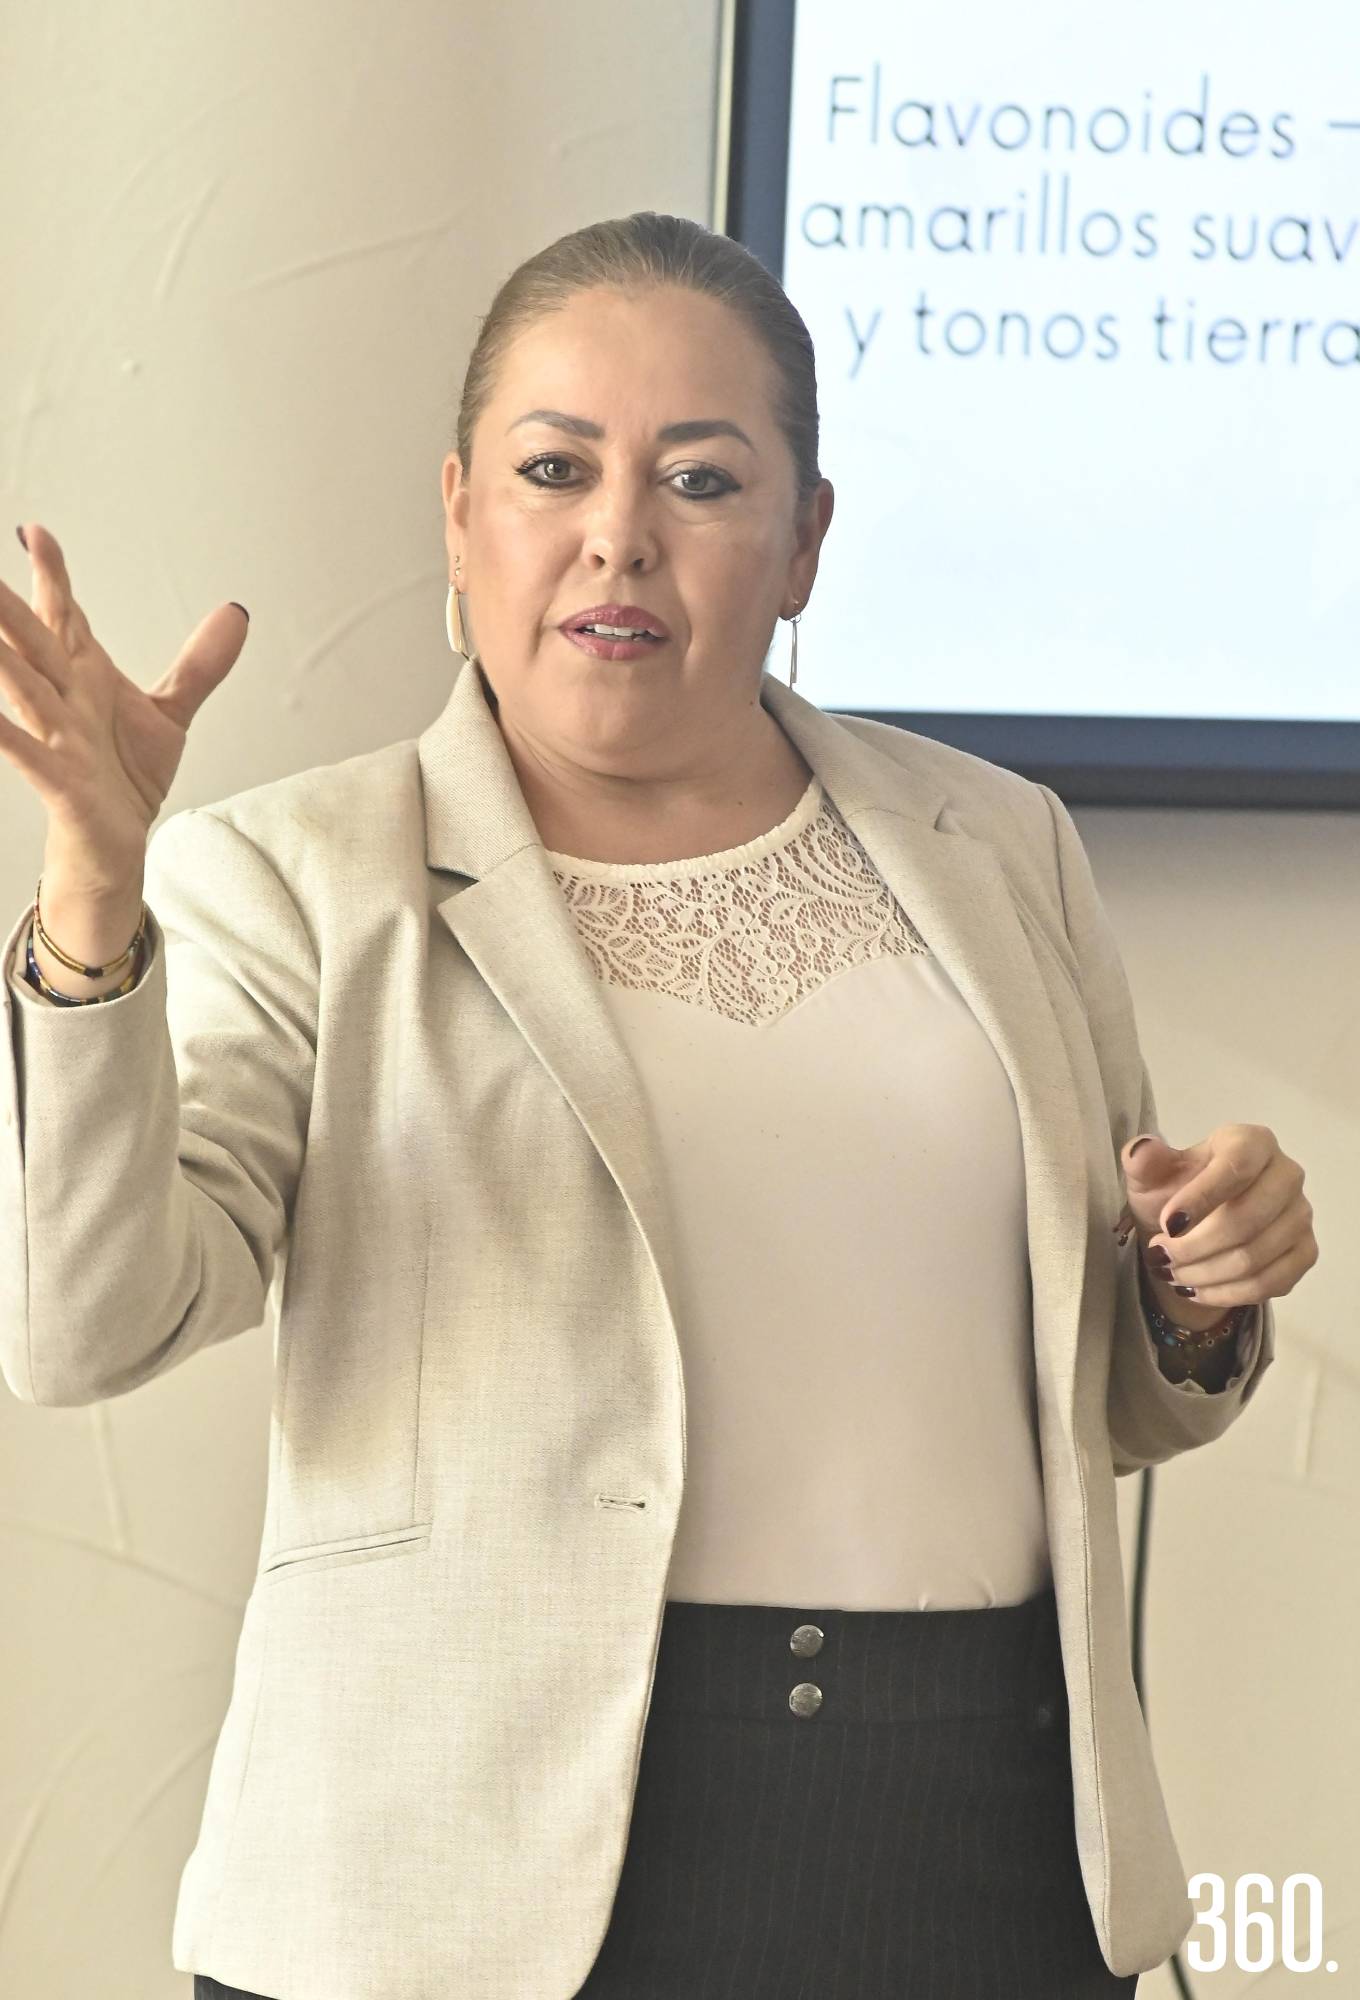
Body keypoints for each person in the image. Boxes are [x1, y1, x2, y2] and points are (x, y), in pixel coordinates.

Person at [0, 212, 1315, 2000]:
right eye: (555, 469)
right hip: (457, 1880)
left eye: (702, 478)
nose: (618, 532)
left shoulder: (1001, 848)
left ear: (805, 542)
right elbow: (87, 1324)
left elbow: (1117, 1407)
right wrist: (92, 890)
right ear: (462, 516)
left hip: (973, 1847)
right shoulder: (295, 876)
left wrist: (1195, 1287)